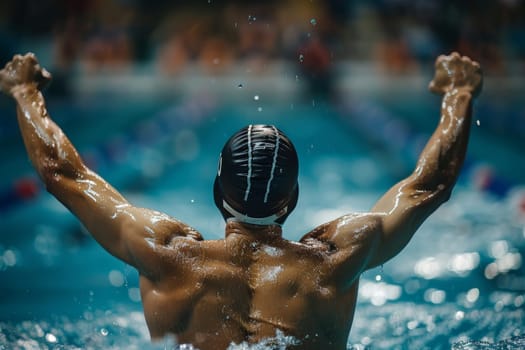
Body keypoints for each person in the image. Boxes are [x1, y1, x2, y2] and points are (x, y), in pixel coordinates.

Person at [0, 52, 482, 349]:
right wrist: (459, 93)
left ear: (216, 192)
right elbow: (430, 185)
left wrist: (25, 91)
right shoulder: (334, 261)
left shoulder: (165, 255)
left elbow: (64, 174)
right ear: (292, 199)